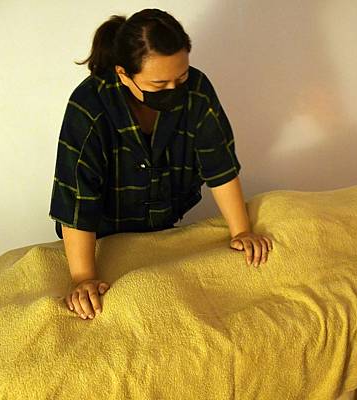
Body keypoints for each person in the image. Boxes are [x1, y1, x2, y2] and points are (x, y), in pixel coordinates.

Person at [48, 9, 273, 321]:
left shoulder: (196, 89)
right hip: (101, 230)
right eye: (158, 83)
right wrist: (83, 278)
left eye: (181, 77)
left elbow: (219, 165)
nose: (174, 90)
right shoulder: (89, 104)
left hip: (162, 223)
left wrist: (242, 231)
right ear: (123, 74)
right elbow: (77, 196)